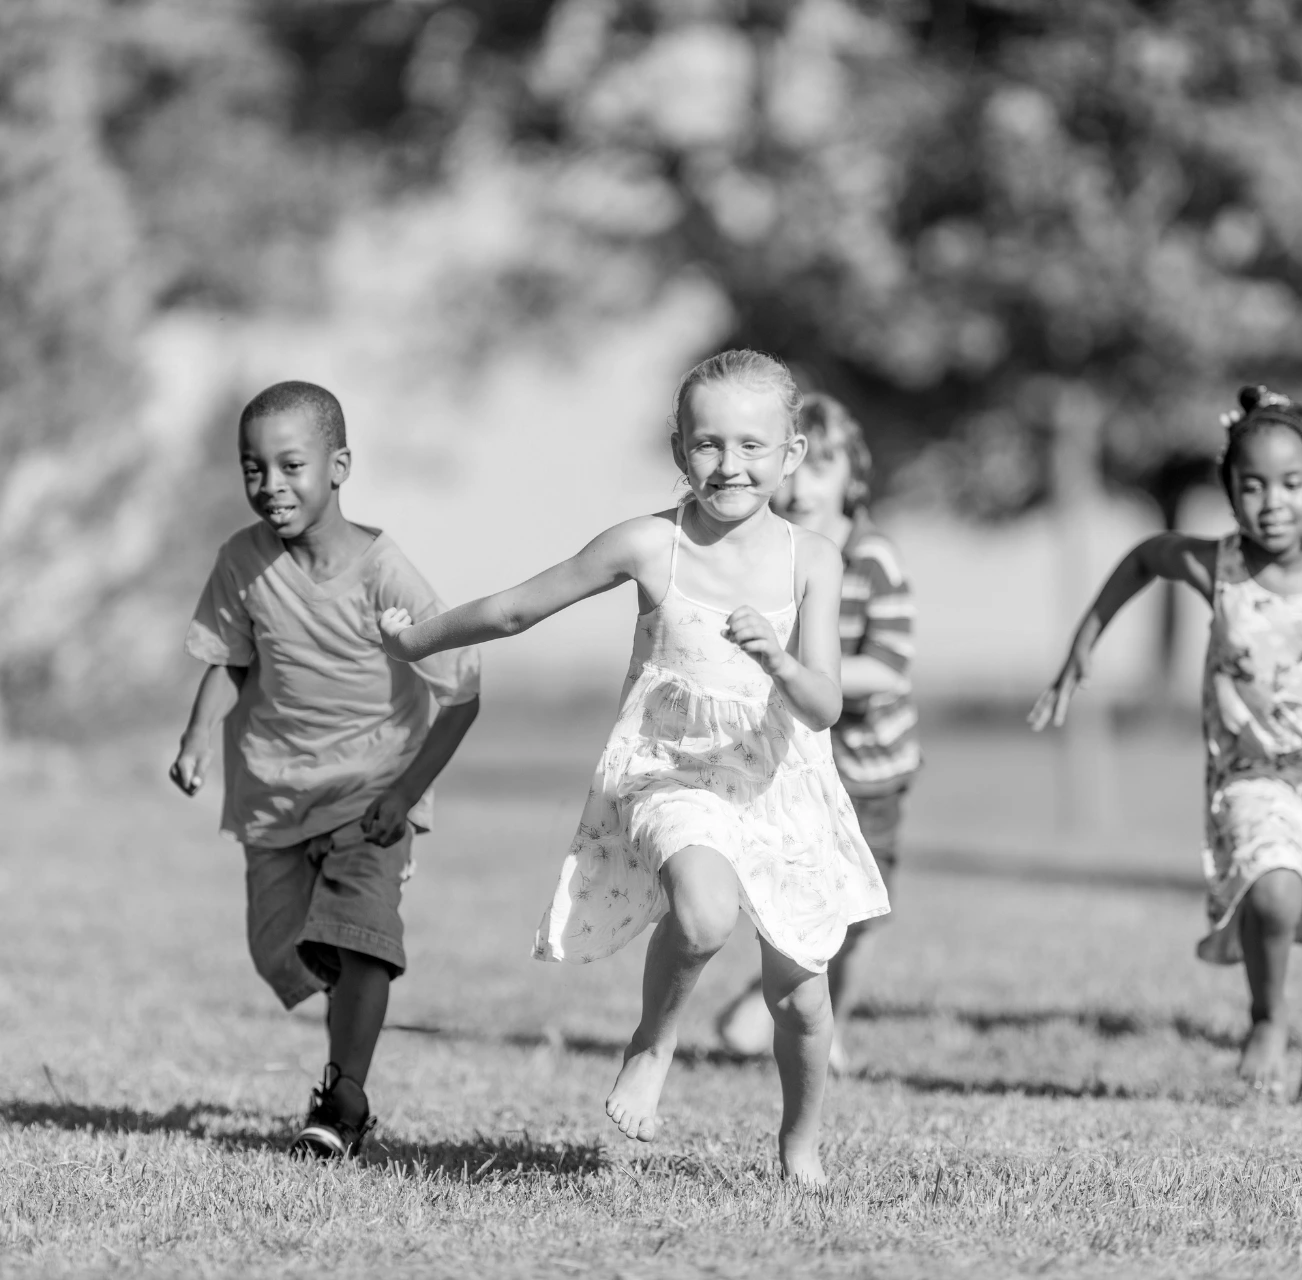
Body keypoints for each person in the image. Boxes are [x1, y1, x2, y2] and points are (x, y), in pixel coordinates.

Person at [377, 350, 888, 1184]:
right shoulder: (650, 545)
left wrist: (779, 660)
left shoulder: (815, 560)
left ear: (791, 456)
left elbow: (826, 703)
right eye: (709, 444)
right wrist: (413, 641)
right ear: (679, 447)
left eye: (754, 447)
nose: (730, 465)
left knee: (801, 998)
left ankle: (800, 1143)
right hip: (671, 777)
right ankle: (655, 1039)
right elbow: (514, 610)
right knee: (706, 912)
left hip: (779, 782)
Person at [1030, 386, 1302, 1101]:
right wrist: (1084, 643)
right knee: (1274, 889)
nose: (1273, 501)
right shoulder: (1222, 567)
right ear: (1230, 493)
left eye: (1292, 484)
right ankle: (1266, 1017)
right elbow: (1147, 558)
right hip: (1251, 775)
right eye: (1253, 485)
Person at [171, 381, 481, 1160]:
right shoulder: (240, 563)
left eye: (290, 465)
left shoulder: (387, 574)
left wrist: (406, 793)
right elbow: (230, 660)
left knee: (360, 938)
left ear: (338, 466)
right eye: (253, 468)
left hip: (374, 792)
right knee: (282, 949)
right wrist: (195, 737)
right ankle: (339, 978)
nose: (270, 485)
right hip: (275, 794)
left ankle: (342, 1101)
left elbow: (463, 695)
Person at [712, 393, 919, 1074]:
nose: (802, 487)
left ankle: (803, 1017)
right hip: (798, 760)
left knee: (861, 911)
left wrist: (804, 672)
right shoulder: (770, 551)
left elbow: (887, 667)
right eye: (793, 467)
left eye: (821, 467)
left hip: (872, 766)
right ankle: (797, 1018)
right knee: (800, 894)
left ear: (851, 477)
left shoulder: (872, 558)